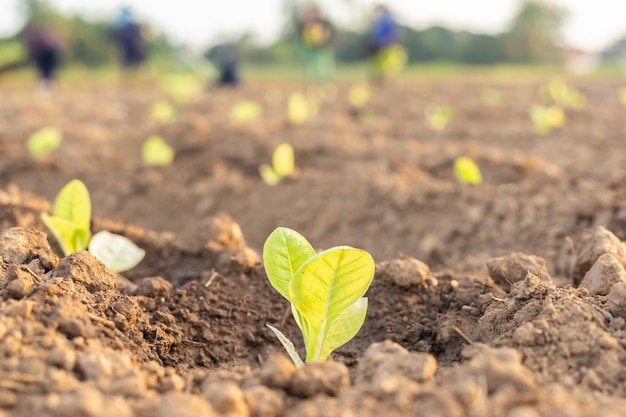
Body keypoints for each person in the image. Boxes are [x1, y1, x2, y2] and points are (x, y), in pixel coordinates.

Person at [297, 4, 334, 82]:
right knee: (313, 63)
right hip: (312, 46)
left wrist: (323, 40)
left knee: (324, 62)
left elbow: (327, 32)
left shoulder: (322, 22)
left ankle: (324, 78)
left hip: (323, 45)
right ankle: (313, 78)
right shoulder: (308, 23)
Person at [368, 4, 406, 81]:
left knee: (387, 63)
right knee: (379, 63)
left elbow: (393, 32)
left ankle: (387, 79)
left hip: (387, 45)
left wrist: (389, 41)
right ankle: (381, 78)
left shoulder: (388, 20)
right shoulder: (380, 21)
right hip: (379, 45)